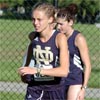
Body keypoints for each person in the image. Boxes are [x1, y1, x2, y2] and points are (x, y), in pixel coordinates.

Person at [18, 2, 69, 100]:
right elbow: (29, 53)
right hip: (35, 87)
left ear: (50, 19)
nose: (35, 23)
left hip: (54, 89)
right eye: (33, 19)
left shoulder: (59, 38)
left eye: (39, 20)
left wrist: (36, 70)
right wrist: (26, 69)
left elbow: (64, 71)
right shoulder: (33, 36)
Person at [56, 3, 91, 100]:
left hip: (75, 80)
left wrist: (83, 88)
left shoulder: (78, 38)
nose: (58, 27)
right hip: (60, 79)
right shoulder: (57, 36)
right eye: (57, 23)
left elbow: (87, 65)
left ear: (70, 22)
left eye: (61, 24)